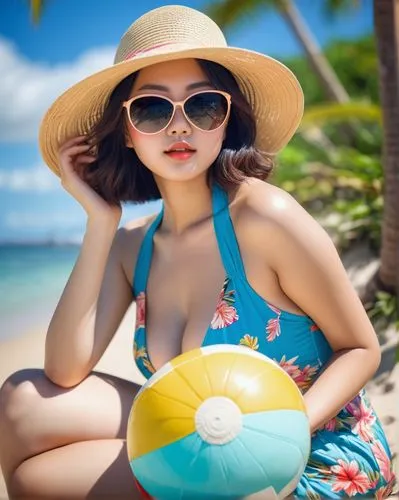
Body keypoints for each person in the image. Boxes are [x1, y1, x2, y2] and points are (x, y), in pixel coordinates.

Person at [0, 4, 396, 499]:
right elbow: (64, 371)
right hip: (200, 431)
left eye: (203, 105)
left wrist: (288, 429)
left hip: (309, 448)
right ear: (126, 130)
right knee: (22, 402)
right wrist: (101, 223)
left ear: (227, 121)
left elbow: (360, 348)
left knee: (37, 481)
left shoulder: (263, 217)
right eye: (152, 108)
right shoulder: (133, 246)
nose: (179, 126)